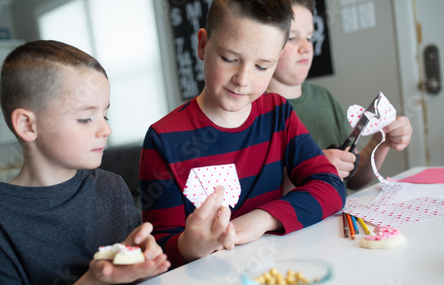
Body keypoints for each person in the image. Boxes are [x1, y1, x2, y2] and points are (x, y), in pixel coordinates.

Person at [0, 40, 170, 285]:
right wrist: (96, 279)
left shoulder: (112, 187)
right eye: (86, 118)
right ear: (28, 126)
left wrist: (147, 262)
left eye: (105, 114)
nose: (106, 129)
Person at [139, 0, 346, 269]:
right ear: (203, 44)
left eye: (262, 66)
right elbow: (158, 252)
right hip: (205, 284)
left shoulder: (278, 113)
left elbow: (331, 186)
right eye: (229, 59)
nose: (242, 79)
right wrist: (190, 247)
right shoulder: (163, 139)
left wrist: (260, 219)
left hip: (277, 268)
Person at [267, 0, 413, 190]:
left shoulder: (323, 98)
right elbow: (265, 193)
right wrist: (314, 165)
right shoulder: (259, 110)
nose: (306, 47)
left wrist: (380, 141)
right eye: (292, 38)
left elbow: (354, 178)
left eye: (310, 37)